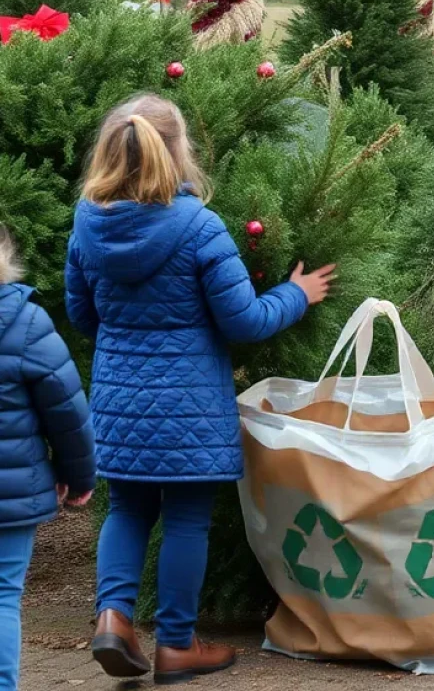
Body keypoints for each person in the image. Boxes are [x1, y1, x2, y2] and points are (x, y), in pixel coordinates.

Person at [67, 95, 335, 684]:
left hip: (117, 399)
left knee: (128, 509)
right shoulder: (198, 226)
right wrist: (297, 294)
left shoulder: (87, 222)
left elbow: (81, 315)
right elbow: (243, 321)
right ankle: (176, 646)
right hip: (188, 405)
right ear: (177, 150)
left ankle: (112, 619)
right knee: (187, 517)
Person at [0, 226, 95, 691]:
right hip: (10, 493)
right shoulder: (25, 323)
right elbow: (67, 414)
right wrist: (78, 477)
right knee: (1, 597)